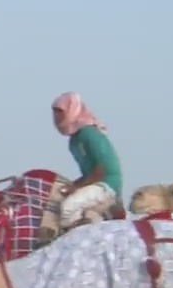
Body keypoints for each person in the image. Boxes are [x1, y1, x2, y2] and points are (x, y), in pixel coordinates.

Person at [52, 91, 123, 228]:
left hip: (106, 184)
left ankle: (77, 237)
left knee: (68, 207)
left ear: (72, 110)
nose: (56, 116)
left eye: (60, 111)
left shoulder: (89, 134)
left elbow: (100, 171)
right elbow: (88, 174)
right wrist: (68, 186)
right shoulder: (74, 141)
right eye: (55, 112)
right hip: (95, 183)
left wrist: (76, 187)